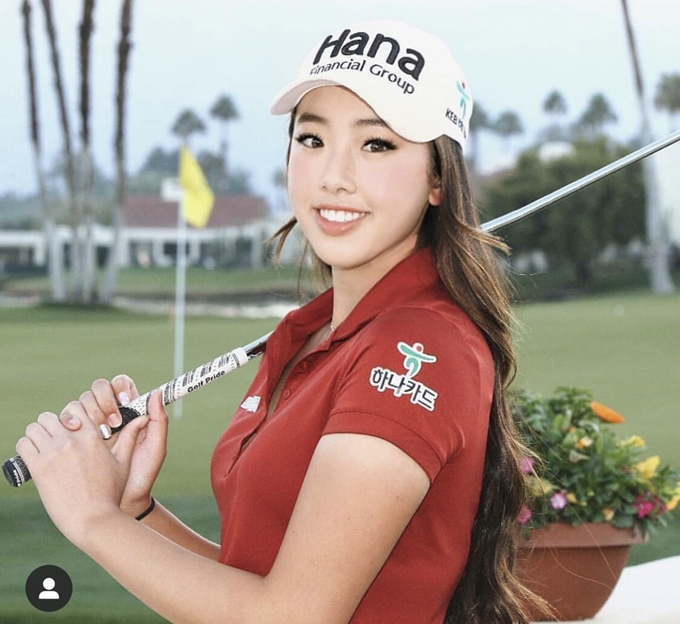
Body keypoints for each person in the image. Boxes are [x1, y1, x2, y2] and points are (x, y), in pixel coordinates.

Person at [17, 20, 537, 624]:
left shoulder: (418, 346)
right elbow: (251, 589)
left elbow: (292, 615)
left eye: (376, 144)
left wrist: (93, 521)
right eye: (312, 138)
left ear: (438, 179)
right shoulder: (309, 334)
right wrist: (135, 512)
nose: (333, 174)